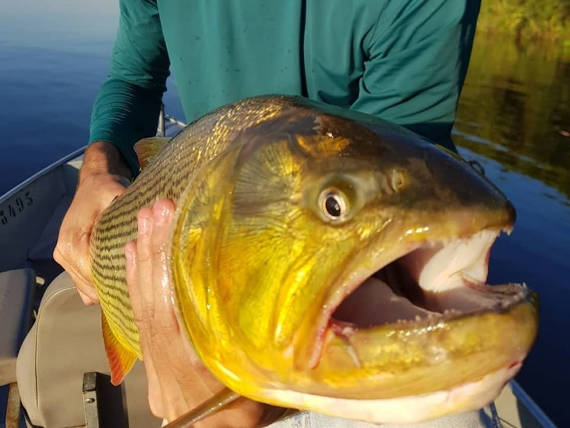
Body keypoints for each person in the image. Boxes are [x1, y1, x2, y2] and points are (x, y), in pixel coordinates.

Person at [54, 1, 482, 425]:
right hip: (195, 213)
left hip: (344, 288)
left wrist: (217, 417)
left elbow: (398, 169)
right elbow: (133, 79)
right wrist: (97, 168)